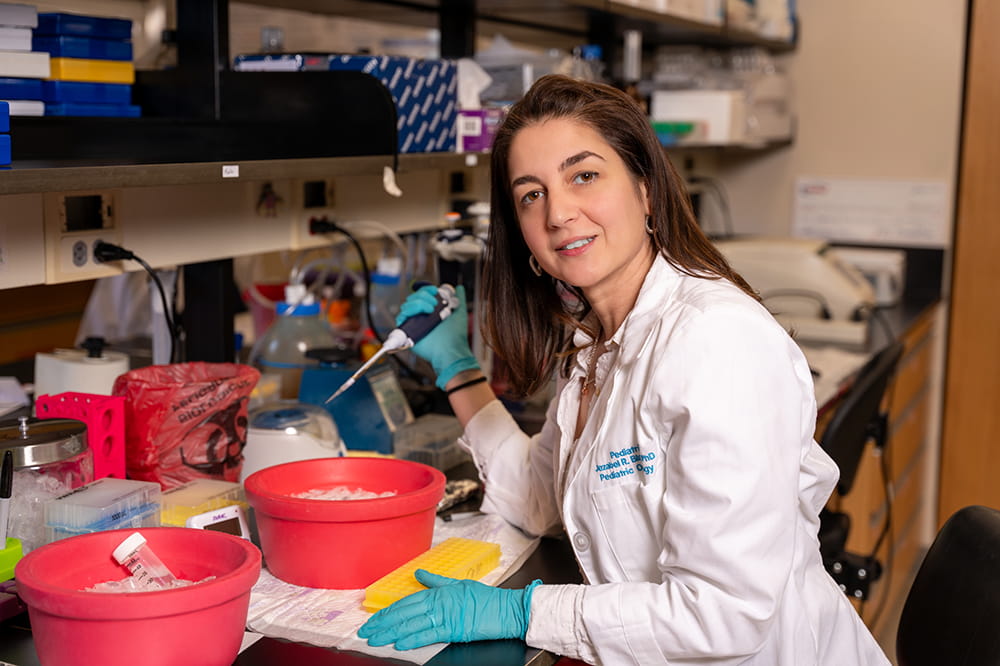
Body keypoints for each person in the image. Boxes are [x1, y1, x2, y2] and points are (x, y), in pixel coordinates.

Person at [359, 74, 890, 665]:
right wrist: (458, 369)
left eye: (583, 175)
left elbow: (722, 616)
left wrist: (522, 611)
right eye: (531, 194)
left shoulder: (716, 342)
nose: (559, 211)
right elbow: (541, 500)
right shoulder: (596, 344)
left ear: (645, 190)